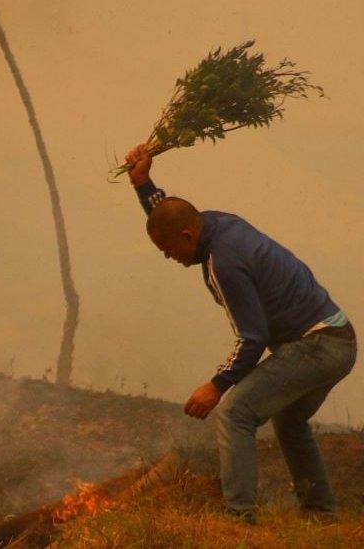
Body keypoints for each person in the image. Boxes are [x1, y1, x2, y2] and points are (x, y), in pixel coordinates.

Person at [124, 144, 356, 523]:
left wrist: (216, 385)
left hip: (315, 345)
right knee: (289, 421)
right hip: (338, 339)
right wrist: (143, 184)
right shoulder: (215, 224)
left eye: (168, 251)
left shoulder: (224, 263)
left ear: (186, 237)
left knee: (235, 414)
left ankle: (238, 519)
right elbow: (170, 216)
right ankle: (320, 513)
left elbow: (253, 338)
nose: (170, 258)